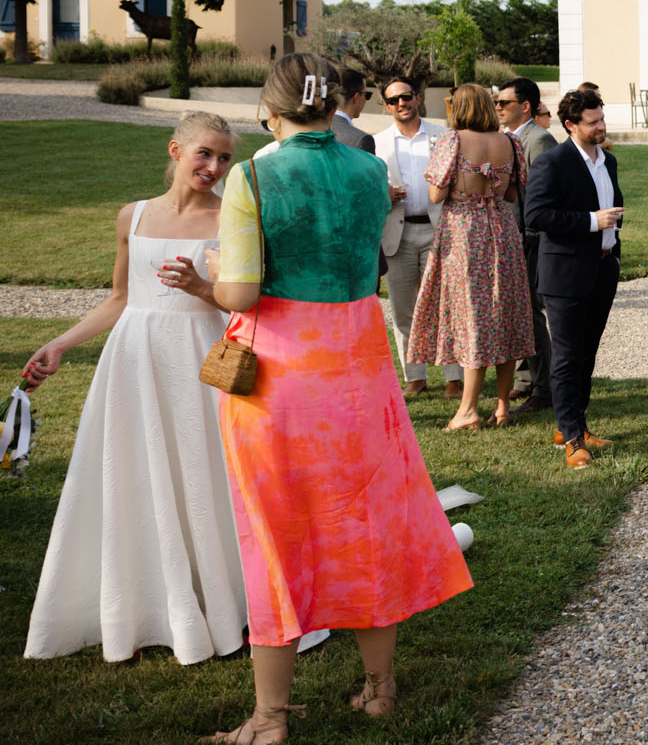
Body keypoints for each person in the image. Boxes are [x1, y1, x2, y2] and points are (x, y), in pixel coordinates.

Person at [208, 54, 470, 740]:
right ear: (335, 106)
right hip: (361, 369)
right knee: (367, 524)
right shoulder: (368, 170)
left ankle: (270, 716)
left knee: (275, 532)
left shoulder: (253, 176)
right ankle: (380, 687)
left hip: (282, 376)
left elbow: (238, 293)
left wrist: (211, 275)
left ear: (271, 108)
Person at [23, 113, 246, 664]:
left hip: (201, 360)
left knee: (205, 473)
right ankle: (142, 606)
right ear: (176, 149)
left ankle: (221, 601)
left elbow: (245, 301)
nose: (214, 167)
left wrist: (201, 288)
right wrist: (60, 343)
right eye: (204, 154)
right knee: (136, 474)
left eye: (224, 158)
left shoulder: (235, 217)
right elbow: (121, 297)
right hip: (136, 360)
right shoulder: (134, 216)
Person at [408, 82, 535, 431]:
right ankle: (502, 406)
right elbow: (511, 194)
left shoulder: (453, 140)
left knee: (473, 317)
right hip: (503, 233)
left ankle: (467, 410)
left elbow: (435, 194)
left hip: (466, 233)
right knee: (505, 313)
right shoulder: (511, 141)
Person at [524, 89, 626, 469]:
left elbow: (614, 204)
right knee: (567, 356)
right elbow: (535, 215)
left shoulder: (609, 161)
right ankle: (571, 438)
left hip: (602, 267)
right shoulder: (553, 162)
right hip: (564, 272)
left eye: (602, 119)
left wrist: (612, 241)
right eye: (593, 122)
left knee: (587, 354)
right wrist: (590, 221)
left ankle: (574, 425)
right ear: (570, 125)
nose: (601, 127)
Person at [374, 77, 448, 398]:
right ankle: (415, 376)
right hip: (397, 234)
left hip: (438, 230)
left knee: (446, 306)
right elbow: (364, 187)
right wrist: (383, 193)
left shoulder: (442, 136)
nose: (401, 104)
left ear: (417, 98)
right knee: (404, 310)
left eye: (406, 97)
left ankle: (454, 377)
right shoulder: (376, 143)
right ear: (386, 106)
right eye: (393, 101)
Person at [498, 77, 559, 417]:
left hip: (531, 238)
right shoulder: (512, 138)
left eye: (504, 102)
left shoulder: (539, 139)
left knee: (531, 315)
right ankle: (531, 379)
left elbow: (543, 196)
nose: (498, 108)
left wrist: (529, 233)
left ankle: (546, 387)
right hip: (517, 236)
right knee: (524, 313)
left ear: (525, 106)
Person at [330, 68, 376, 153]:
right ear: (357, 98)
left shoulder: (309, 130)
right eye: (367, 95)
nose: (366, 100)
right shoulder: (361, 140)